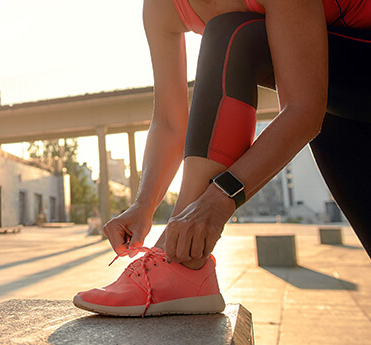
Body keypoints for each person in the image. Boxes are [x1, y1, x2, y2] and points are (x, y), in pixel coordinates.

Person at [73, 0, 371, 317]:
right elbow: (170, 123)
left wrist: (219, 199)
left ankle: (180, 262)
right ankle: (181, 260)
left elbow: (303, 110)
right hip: (336, 97)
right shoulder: (161, 7)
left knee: (232, 33)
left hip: (345, 74)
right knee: (231, 33)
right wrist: (143, 206)